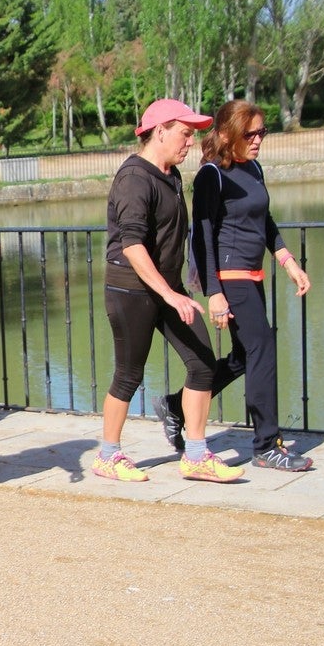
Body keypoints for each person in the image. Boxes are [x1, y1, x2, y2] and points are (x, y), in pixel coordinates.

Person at [155, 100, 314, 472]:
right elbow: (202, 237)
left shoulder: (254, 168)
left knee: (245, 355)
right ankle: (266, 445)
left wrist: (288, 262)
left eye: (262, 132)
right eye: (250, 133)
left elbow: (265, 221)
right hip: (230, 278)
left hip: (254, 276)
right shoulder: (213, 175)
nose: (258, 139)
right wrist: (214, 293)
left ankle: (176, 405)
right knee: (263, 348)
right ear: (227, 135)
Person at [96, 98, 243, 484]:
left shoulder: (171, 175)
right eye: (184, 134)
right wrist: (171, 294)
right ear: (159, 132)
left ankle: (195, 454)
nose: (190, 142)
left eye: (192, 135)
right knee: (128, 374)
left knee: (202, 364)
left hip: (167, 288)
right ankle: (108, 455)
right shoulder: (134, 178)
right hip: (131, 289)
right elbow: (132, 244)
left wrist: (185, 287)